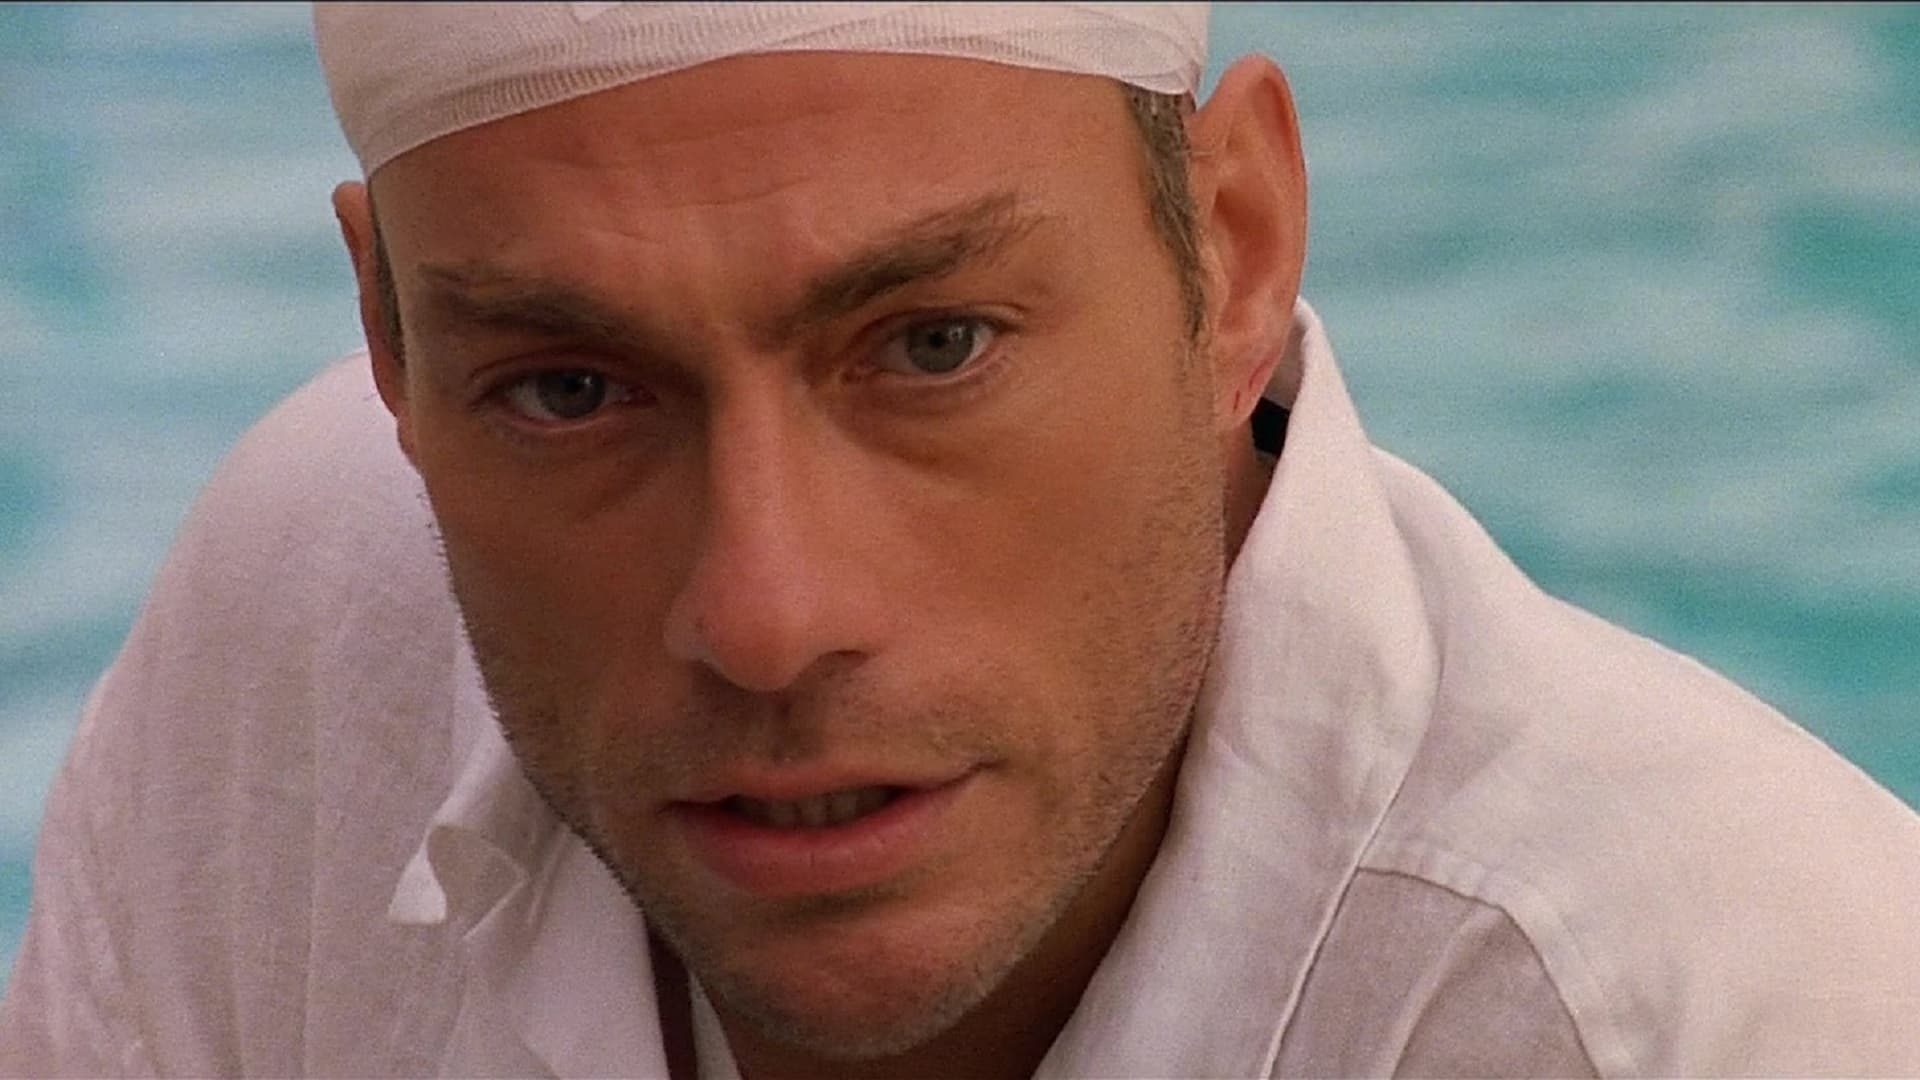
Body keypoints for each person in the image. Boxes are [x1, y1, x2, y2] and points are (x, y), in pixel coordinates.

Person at [4, 3, 1919, 1076]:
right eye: (571, 390)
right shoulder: (306, 639)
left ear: (1237, 249)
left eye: (933, 347)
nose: (766, 616)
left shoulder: (1705, 1013)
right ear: (392, 346)